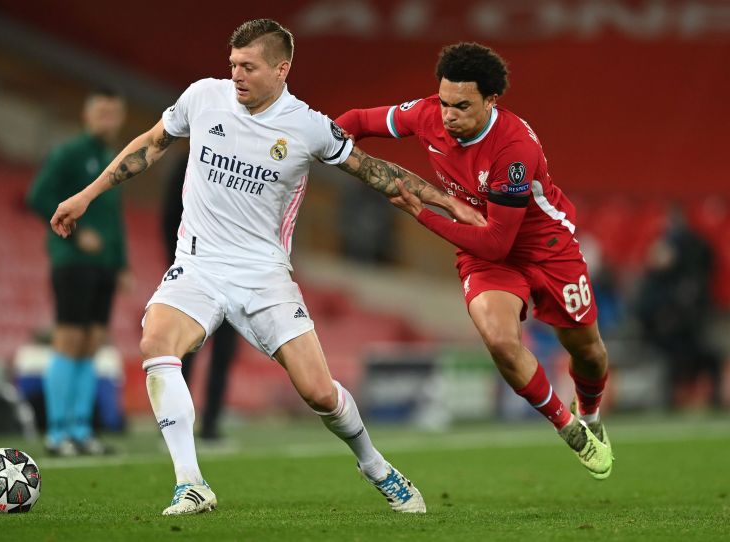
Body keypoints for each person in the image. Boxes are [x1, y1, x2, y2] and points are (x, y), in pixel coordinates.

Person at [48, 19, 474, 516]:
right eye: (232, 65)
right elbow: (149, 144)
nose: (236, 76)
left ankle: (376, 466)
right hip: (199, 263)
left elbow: (377, 173)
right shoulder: (204, 97)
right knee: (156, 343)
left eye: (248, 67)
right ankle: (190, 482)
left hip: (264, 275)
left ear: (281, 69)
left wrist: (447, 202)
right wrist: (86, 194)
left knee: (319, 393)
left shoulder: (308, 126)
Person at [336, 42, 614, 479]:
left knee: (589, 352)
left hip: (544, 248)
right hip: (485, 249)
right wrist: (326, 146)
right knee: (501, 341)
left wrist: (422, 212)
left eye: (461, 106)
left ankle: (592, 414)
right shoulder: (429, 114)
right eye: (444, 102)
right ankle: (568, 427)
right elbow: (355, 122)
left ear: (491, 101)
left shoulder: (513, 151)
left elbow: (498, 243)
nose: (448, 115)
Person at [27, 88, 131, 456]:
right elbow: (38, 196)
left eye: (114, 113)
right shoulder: (70, 154)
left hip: (103, 267)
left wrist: (121, 264)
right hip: (72, 263)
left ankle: (82, 430)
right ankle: (57, 434)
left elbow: (114, 218)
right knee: (69, 340)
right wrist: (75, 237)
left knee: (93, 343)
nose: (109, 120)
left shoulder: (110, 158)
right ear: (87, 117)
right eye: (102, 113)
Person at [162, 154, 238, 441]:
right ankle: (176, 421)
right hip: (195, 273)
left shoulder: (238, 163)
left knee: (223, 353)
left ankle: (210, 423)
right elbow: (170, 215)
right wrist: (180, 262)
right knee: (186, 349)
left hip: (234, 277)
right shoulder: (192, 161)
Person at [636, 206, 722, 409]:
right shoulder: (653, 281)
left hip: (683, 334)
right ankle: (672, 400)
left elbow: (706, 254)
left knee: (707, 356)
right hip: (659, 335)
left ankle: (711, 400)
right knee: (676, 356)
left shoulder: (684, 276)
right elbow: (644, 312)